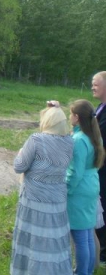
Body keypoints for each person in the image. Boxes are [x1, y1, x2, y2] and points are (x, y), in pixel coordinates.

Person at [10, 103, 74, 275]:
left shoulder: (36, 139)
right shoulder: (70, 141)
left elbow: (19, 166)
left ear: (46, 121)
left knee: (32, 241)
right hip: (57, 200)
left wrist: (21, 151)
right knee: (53, 242)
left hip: (34, 199)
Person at [67, 99, 105, 275]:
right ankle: (88, 270)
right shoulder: (92, 135)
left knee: (80, 237)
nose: (69, 117)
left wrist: (66, 189)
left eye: (70, 114)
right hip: (91, 185)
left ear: (76, 117)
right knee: (88, 233)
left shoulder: (79, 140)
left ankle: (81, 272)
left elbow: (75, 172)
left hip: (79, 191)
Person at [92, 71, 106, 264]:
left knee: (103, 206)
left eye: (95, 84)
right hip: (99, 165)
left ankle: (103, 252)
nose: (92, 87)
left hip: (103, 166)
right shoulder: (100, 106)